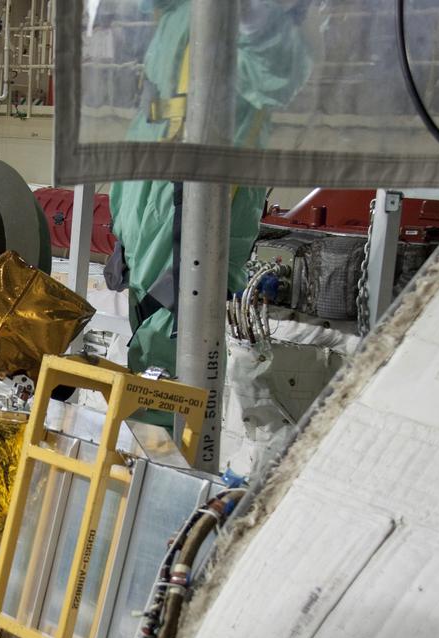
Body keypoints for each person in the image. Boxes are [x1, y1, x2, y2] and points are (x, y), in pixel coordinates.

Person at [108, 0, 312, 376]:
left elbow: (277, 72)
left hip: (194, 209)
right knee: (148, 346)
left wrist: (255, 17)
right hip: (147, 204)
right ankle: (156, 426)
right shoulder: (178, 15)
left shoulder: (249, 23)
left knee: (169, 357)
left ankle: (168, 431)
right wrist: (122, 227)